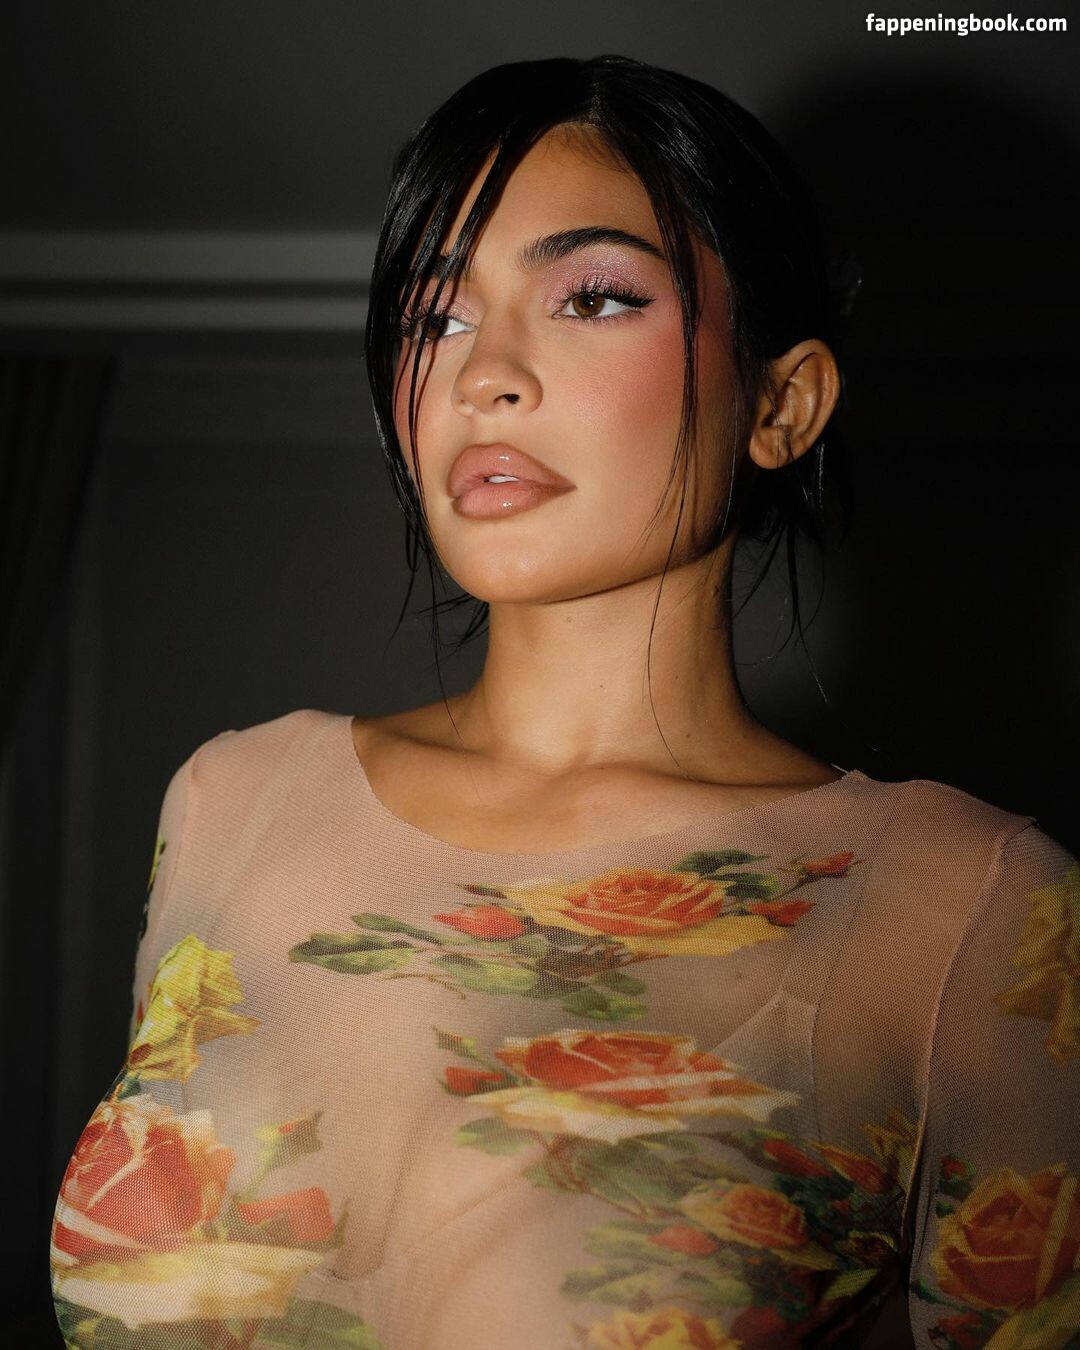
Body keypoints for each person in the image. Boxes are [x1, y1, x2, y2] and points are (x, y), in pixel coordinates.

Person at [50, 55, 1079, 1349]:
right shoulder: (229, 799)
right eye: (436, 319)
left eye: (593, 297)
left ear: (782, 402)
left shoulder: (972, 905)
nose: (484, 372)